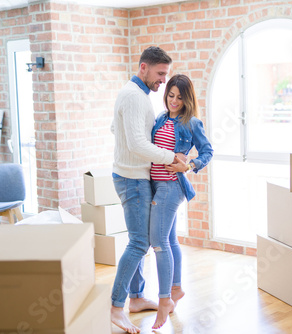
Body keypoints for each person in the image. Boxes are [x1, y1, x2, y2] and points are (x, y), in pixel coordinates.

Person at [110, 46, 185, 334]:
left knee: (138, 242)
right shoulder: (133, 96)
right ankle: (117, 308)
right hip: (133, 179)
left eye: (165, 74)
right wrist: (171, 158)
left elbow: (115, 129)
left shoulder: (136, 95)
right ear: (144, 68)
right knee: (140, 244)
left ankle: (137, 297)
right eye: (160, 74)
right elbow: (136, 145)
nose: (164, 81)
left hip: (133, 175)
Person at [149, 74, 213, 329]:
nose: (173, 101)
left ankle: (164, 299)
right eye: (170, 95)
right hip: (155, 185)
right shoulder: (160, 119)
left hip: (171, 187)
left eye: (179, 97)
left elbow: (208, 151)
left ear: (187, 99)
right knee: (171, 239)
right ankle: (176, 288)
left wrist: (190, 165)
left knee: (158, 242)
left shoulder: (191, 123)